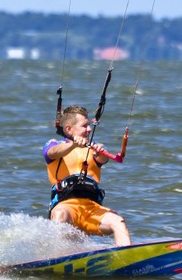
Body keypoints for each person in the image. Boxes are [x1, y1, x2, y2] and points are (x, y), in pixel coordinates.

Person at [43, 105, 131, 247]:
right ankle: (56, 255)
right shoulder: (54, 144)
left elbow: (103, 158)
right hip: (67, 208)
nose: (89, 129)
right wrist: (73, 145)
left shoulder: (95, 147)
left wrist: (101, 153)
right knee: (59, 215)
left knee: (118, 221)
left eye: (89, 125)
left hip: (92, 210)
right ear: (69, 129)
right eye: (84, 126)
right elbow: (52, 152)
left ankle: (128, 256)